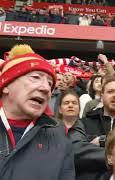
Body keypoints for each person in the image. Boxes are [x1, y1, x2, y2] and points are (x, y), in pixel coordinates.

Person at [0, 44, 75, 179]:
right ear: (6, 85)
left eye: (50, 83)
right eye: (35, 77)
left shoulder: (60, 139)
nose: (46, 88)